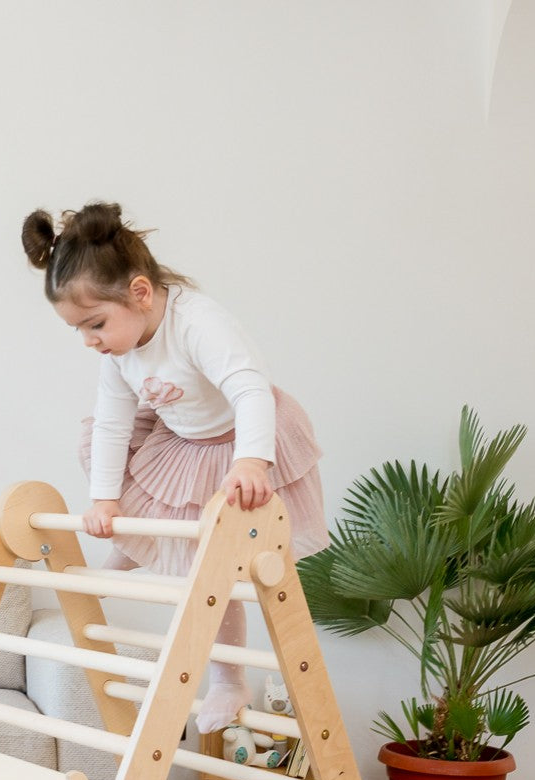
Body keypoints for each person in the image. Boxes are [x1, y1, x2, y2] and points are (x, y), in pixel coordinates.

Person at [21, 200, 329, 732]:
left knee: (215, 567)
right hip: (181, 440)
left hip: (240, 440)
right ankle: (127, 549)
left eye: (96, 324)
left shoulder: (197, 324)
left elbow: (250, 389)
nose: (90, 341)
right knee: (99, 440)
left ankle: (229, 682)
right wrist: (105, 501)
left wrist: (251, 462)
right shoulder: (119, 353)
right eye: (79, 331)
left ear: (140, 292)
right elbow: (113, 423)